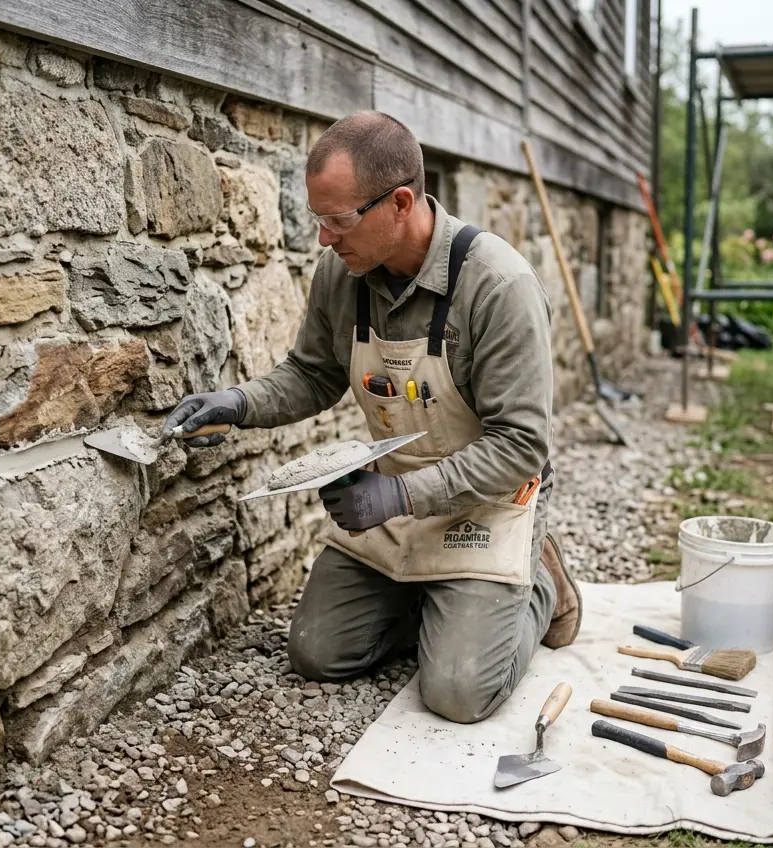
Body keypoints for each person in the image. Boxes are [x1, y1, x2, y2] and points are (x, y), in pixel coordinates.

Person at [162, 111, 580, 724]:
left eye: (338, 220)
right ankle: (442, 606)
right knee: (316, 652)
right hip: (396, 498)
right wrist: (239, 403)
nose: (324, 239)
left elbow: (520, 445)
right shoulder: (343, 272)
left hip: (487, 502)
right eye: (318, 220)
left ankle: (541, 582)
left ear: (401, 202)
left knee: (459, 693)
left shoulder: (498, 287)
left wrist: (397, 495)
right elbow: (312, 374)